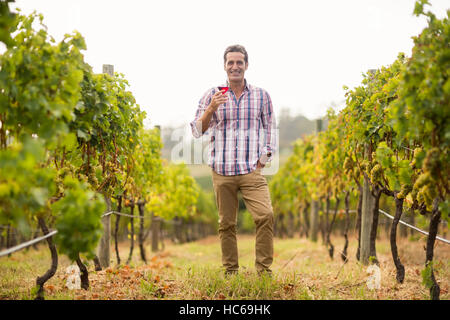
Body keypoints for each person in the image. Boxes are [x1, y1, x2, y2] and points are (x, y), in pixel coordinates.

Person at [190, 44, 277, 275]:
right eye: (231, 63)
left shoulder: (261, 95)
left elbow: (270, 127)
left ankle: (263, 271)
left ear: (246, 65)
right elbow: (197, 131)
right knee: (226, 224)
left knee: (265, 215)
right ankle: (230, 272)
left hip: (251, 170)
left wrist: (264, 158)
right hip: (222, 170)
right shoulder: (212, 95)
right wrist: (211, 108)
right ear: (225, 66)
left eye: (239, 62)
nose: (235, 67)